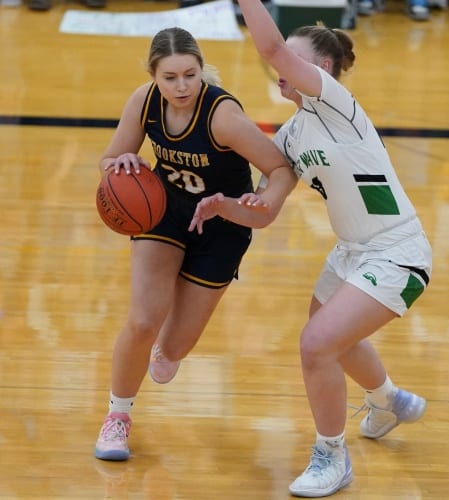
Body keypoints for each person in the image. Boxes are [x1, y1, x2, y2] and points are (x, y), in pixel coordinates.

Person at [189, 1, 432, 497]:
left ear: (320, 69)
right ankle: (387, 400)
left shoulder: (336, 102)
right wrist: (226, 206)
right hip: (351, 251)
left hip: (397, 250)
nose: (279, 68)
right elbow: (265, 211)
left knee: (317, 344)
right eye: (282, 63)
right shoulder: (293, 133)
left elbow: (270, 47)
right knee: (330, 337)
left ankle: (332, 456)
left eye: (291, 61)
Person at [94, 26, 297, 462]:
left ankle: (169, 345)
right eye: (170, 77)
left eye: (190, 74)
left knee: (171, 353)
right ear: (154, 76)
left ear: (201, 69)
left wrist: (263, 203)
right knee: (142, 321)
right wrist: (119, 163)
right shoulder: (144, 102)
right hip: (164, 212)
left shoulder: (222, 117)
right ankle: (117, 417)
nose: (182, 86)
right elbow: (108, 158)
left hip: (222, 223)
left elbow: (281, 169)